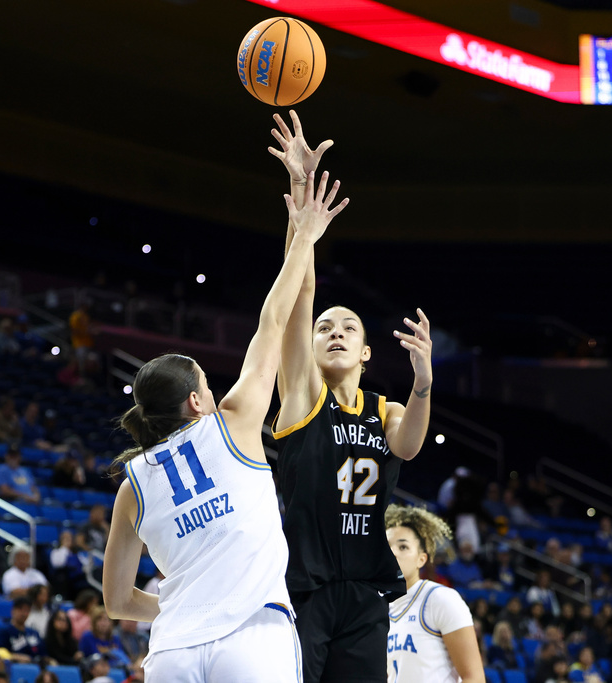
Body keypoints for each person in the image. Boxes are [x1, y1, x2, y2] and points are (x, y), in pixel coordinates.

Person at [102, 167, 346, 683]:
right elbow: (275, 320)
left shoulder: (132, 487)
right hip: (254, 635)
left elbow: (117, 602)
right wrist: (304, 233)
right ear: (195, 401)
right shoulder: (233, 424)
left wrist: (184, 610)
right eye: (208, 386)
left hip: (171, 652)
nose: (216, 394)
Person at [267, 111, 432, 683]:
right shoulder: (303, 398)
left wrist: (424, 382)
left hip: (365, 590)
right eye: (325, 328)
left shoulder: (382, 409)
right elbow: (300, 293)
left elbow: (408, 448)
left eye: (349, 328)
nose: (334, 331)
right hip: (303, 589)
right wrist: (300, 196)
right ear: (311, 349)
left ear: (365, 352)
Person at [384, 504, 483, 683]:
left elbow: (473, 677)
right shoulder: (378, 608)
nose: (393, 553)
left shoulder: (440, 599)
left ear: (422, 559)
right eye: (388, 546)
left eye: (403, 547)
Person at [0, 596, 45, 663]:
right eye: (20, 609)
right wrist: (15, 656)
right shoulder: (3, 632)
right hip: (13, 667)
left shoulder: (34, 633)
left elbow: (43, 654)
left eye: (27, 610)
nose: (24, 614)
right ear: (13, 610)